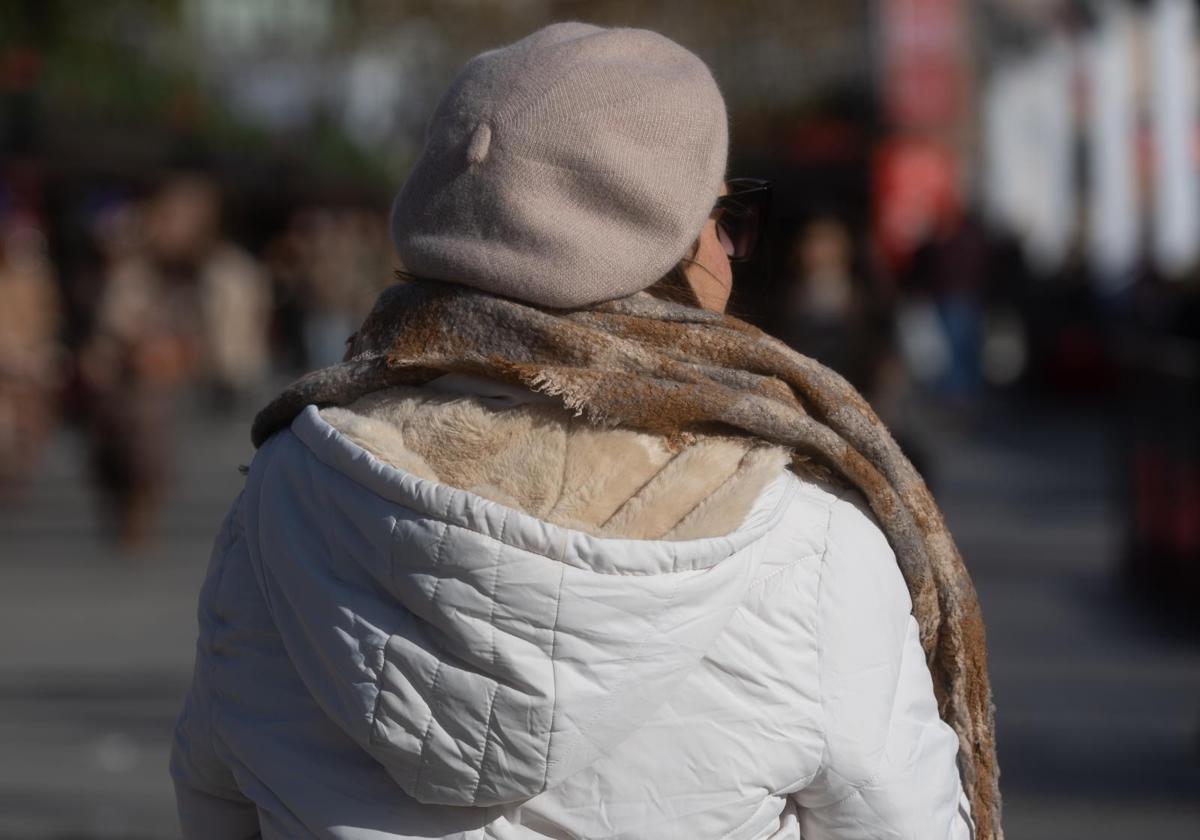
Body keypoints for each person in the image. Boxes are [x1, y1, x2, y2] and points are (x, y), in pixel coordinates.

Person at [171, 23, 1000, 840]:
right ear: (657, 243)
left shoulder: (287, 491)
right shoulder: (807, 538)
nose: (732, 250)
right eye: (722, 215)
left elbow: (216, 796)